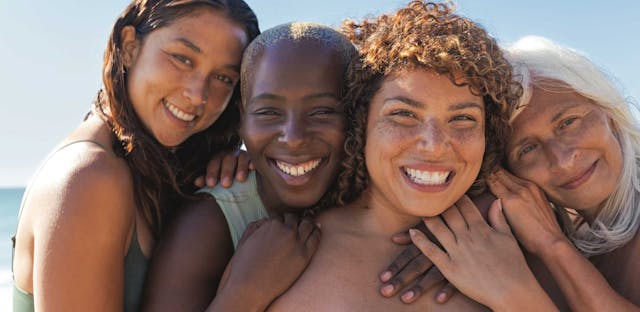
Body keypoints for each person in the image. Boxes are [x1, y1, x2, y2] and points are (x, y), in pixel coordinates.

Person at [220, 1, 545, 310]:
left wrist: (516, 294)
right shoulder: (277, 256)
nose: (433, 145)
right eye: (403, 115)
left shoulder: (517, 241)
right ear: (360, 123)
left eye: (463, 119)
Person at [11, 1, 258, 310]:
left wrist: (231, 181)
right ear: (129, 47)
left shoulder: (160, 170)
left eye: (223, 78)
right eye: (182, 58)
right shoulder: (88, 178)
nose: (198, 94)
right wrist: (246, 293)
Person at [406, 36, 640, 311]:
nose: (562, 160)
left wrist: (547, 251)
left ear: (608, 112)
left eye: (568, 122)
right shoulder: (578, 241)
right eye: (526, 149)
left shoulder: (552, 241)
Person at [141, 22, 358, 311]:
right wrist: (246, 292)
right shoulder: (210, 222)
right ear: (242, 120)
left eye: (322, 112)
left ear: (359, 114)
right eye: (268, 112)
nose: (293, 138)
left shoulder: (389, 201)